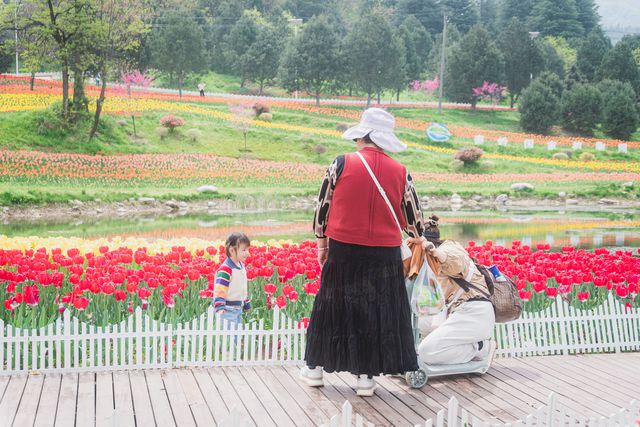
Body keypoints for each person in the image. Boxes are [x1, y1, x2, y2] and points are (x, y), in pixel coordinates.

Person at [300, 108, 425, 396]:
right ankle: (366, 378)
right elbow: (414, 221)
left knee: (332, 306)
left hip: (343, 250)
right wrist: (421, 239)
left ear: (364, 135)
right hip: (384, 255)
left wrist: (322, 243)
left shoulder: (341, 163)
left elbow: (322, 208)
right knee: (375, 311)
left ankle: (315, 371)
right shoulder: (402, 173)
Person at [413, 215, 496, 366]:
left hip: (474, 311)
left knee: (427, 352)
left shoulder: (448, 248)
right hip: (455, 312)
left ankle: (481, 348)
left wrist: (435, 252)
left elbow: (456, 263)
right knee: (423, 323)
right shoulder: (427, 260)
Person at [214, 232, 251, 327]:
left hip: (238, 309)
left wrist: (246, 302)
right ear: (232, 251)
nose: (247, 253)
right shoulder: (226, 269)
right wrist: (220, 307)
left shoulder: (241, 266)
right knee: (229, 337)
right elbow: (220, 289)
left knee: (236, 336)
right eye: (244, 250)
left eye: (248, 249)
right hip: (227, 310)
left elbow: (242, 288)